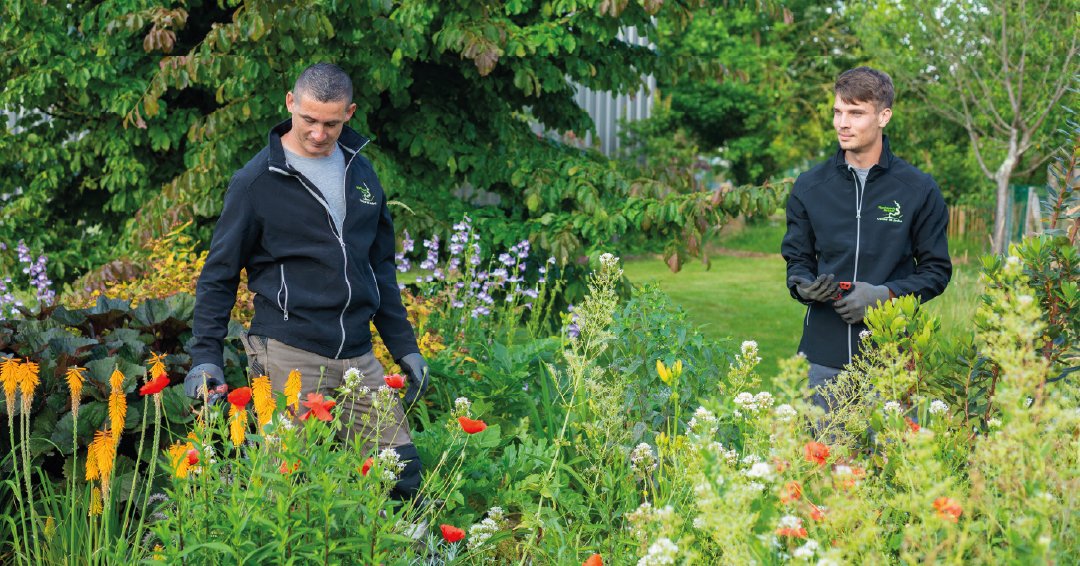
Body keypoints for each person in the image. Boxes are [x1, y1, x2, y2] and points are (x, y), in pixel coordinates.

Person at [183, 63, 429, 503]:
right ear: (290, 104)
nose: (319, 133)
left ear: (349, 113)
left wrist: (404, 346)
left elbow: (380, 268)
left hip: (358, 355)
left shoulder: (362, 172)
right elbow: (218, 276)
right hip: (287, 352)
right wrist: (206, 357)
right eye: (309, 120)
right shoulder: (256, 182)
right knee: (290, 485)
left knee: (400, 473)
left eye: (331, 123)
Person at [781, 66, 951, 412]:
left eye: (856, 112)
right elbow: (797, 260)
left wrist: (883, 295)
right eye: (838, 111)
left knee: (890, 463)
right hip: (821, 360)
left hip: (890, 359)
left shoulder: (918, 189)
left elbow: (936, 271)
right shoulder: (809, 187)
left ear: (883, 116)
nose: (843, 123)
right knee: (822, 462)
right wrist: (801, 286)